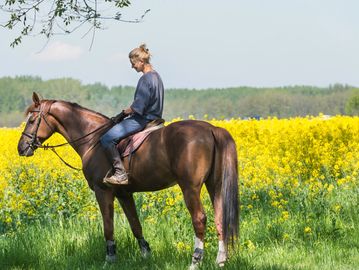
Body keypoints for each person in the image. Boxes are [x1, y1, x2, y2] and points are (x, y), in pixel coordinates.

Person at [100, 44, 164, 185]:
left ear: (141, 62)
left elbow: (138, 106)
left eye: (133, 63)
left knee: (106, 139)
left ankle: (120, 174)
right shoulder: (157, 77)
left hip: (142, 119)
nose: (132, 67)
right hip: (156, 118)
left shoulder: (145, 79)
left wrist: (122, 114)